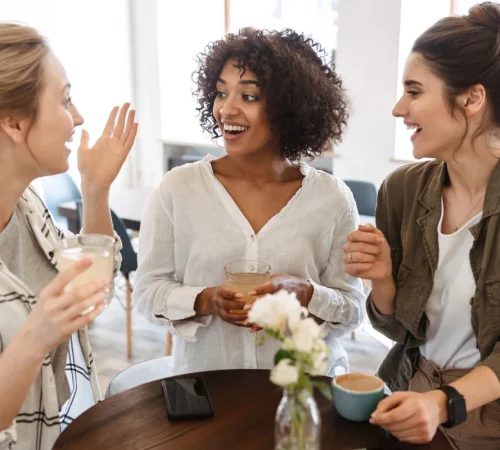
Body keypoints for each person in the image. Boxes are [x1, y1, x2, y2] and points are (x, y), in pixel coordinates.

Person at [134, 27, 365, 377]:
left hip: (303, 394)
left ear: (289, 106)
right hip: (210, 393)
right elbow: (147, 292)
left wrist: (306, 294)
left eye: (249, 97)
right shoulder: (179, 189)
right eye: (221, 93)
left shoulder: (331, 199)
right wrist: (205, 300)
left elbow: (352, 310)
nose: (227, 109)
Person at [343, 2, 500, 448]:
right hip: (412, 395)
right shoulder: (402, 190)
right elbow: (397, 330)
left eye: (414, 91)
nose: (398, 108)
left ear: (471, 98)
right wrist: (382, 279)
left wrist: (444, 402)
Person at [0, 23, 138, 450]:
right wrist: (37, 335)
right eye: (64, 100)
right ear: (15, 123)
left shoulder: (27, 208)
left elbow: (89, 285)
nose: (77, 118)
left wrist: (95, 190)